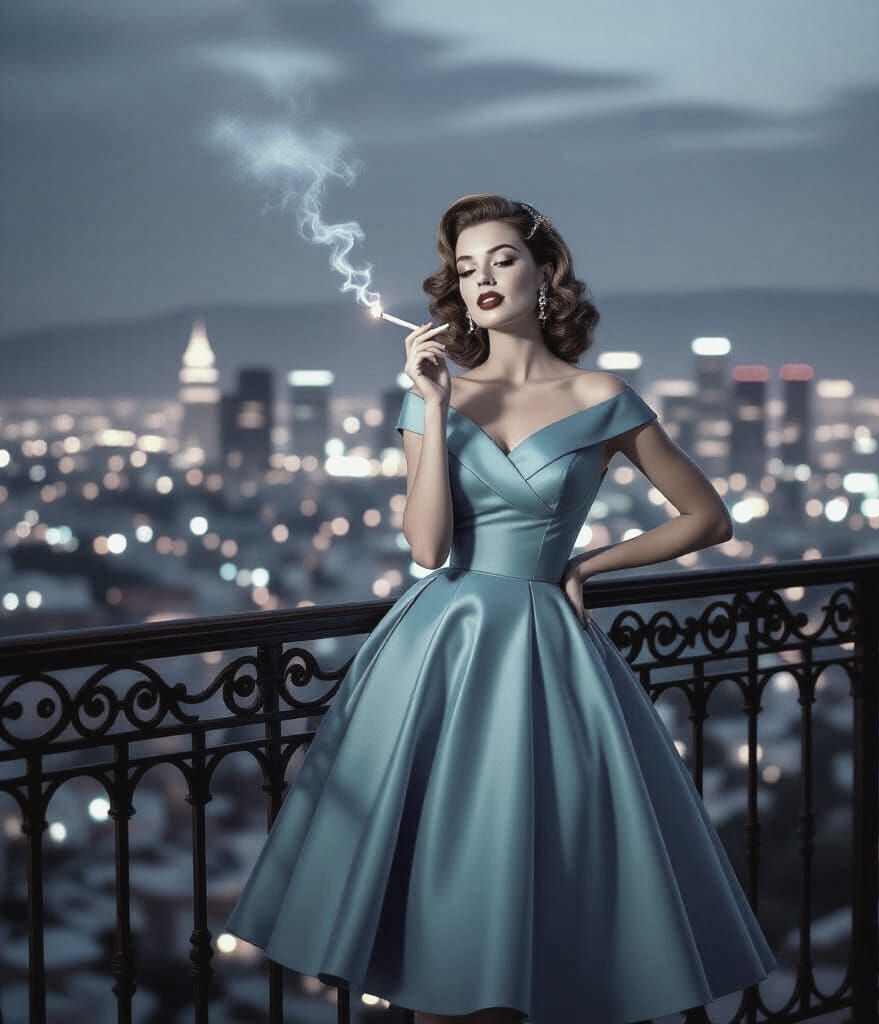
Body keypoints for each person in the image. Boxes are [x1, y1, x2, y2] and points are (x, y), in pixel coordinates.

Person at [225, 193, 777, 1024]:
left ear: (542, 272)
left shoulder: (603, 394)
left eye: (502, 259)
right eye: (465, 267)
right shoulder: (434, 392)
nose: (481, 279)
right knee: (432, 899)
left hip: (545, 650)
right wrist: (437, 405)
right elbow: (426, 547)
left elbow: (708, 517)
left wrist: (589, 560)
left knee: (538, 881)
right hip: (439, 646)